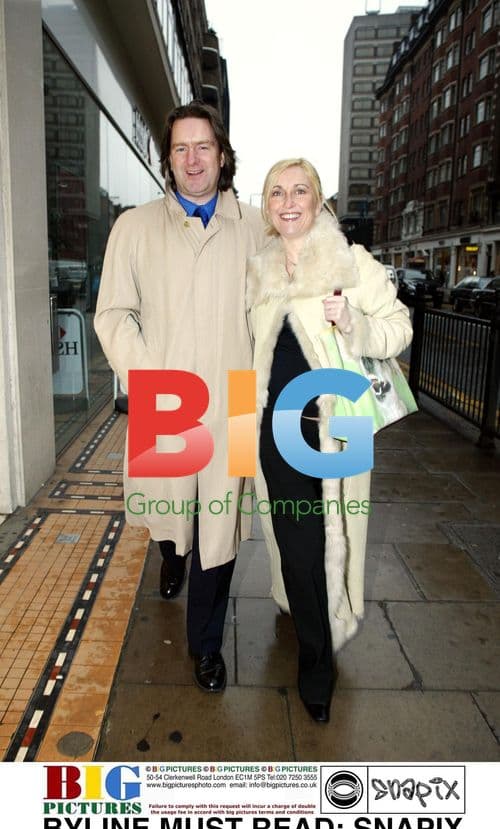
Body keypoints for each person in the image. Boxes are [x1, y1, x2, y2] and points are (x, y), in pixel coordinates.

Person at [94, 101, 266, 693]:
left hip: (235, 402)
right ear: (167, 159)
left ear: (223, 155)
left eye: (204, 147)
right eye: (180, 148)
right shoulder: (134, 228)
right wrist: (150, 382)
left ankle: (207, 645)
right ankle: (170, 553)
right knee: (174, 517)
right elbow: (114, 315)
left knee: (220, 529)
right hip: (167, 401)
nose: (193, 160)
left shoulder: (256, 227)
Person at [246, 159, 413, 723]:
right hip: (277, 428)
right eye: (277, 192)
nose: (288, 201)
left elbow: (399, 327)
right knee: (298, 541)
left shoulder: (350, 261)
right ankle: (315, 658)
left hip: (336, 429)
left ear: (317, 201)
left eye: (300, 191)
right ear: (266, 206)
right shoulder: (259, 270)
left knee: (330, 536)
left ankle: (320, 640)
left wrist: (355, 326)